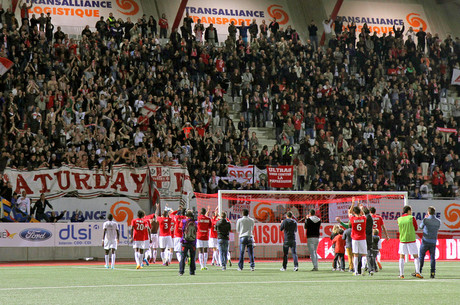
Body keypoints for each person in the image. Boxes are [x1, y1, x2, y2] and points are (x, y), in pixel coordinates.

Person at [397, 205, 423, 279]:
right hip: (411, 239)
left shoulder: (399, 219)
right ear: (408, 211)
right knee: (415, 256)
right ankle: (417, 272)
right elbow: (416, 228)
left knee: (402, 256)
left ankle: (401, 274)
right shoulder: (412, 218)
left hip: (402, 240)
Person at [419, 206, 441, 278]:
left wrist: (425, 219)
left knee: (421, 256)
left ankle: (419, 271)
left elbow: (420, 227)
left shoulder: (426, 220)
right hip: (433, 241)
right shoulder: (438, 221)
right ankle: (432, 273)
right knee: (432, 258)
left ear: (428, 212)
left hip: (425, 241)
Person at [348, 198, 367, 276]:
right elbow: (363, 214)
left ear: (353, 212)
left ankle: (355, 271)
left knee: (355, 255)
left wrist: (353, 204)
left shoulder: (353, 218)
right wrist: (360, 207)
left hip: (355, 238)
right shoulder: (363, 218)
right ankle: (363, 267)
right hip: (362, 238)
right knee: (364, 255)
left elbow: (349, 212)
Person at [179, 210, 197, 276]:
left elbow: (180, 228)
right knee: (192, 257)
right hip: (193, 242)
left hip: (185, 241)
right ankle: (192, 272)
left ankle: (181, 271)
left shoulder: (184, 221)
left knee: (183, 257)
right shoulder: (195, 222)